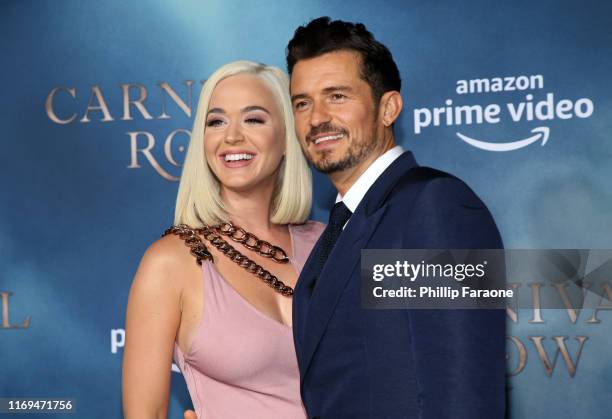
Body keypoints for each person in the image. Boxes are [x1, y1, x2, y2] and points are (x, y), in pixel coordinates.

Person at [286, 17, 506, 418]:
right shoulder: (337, 230)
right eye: (302, 102)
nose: (317, 117)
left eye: (337, 96)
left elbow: (467, 382)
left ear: (388, 107)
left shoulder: (436, 206)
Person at [122, 61, 324, 419]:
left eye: (254, 119)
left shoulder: (330, 243)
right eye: (216, 121)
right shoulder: (170, 263)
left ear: (288, 137)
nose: (231, 136)